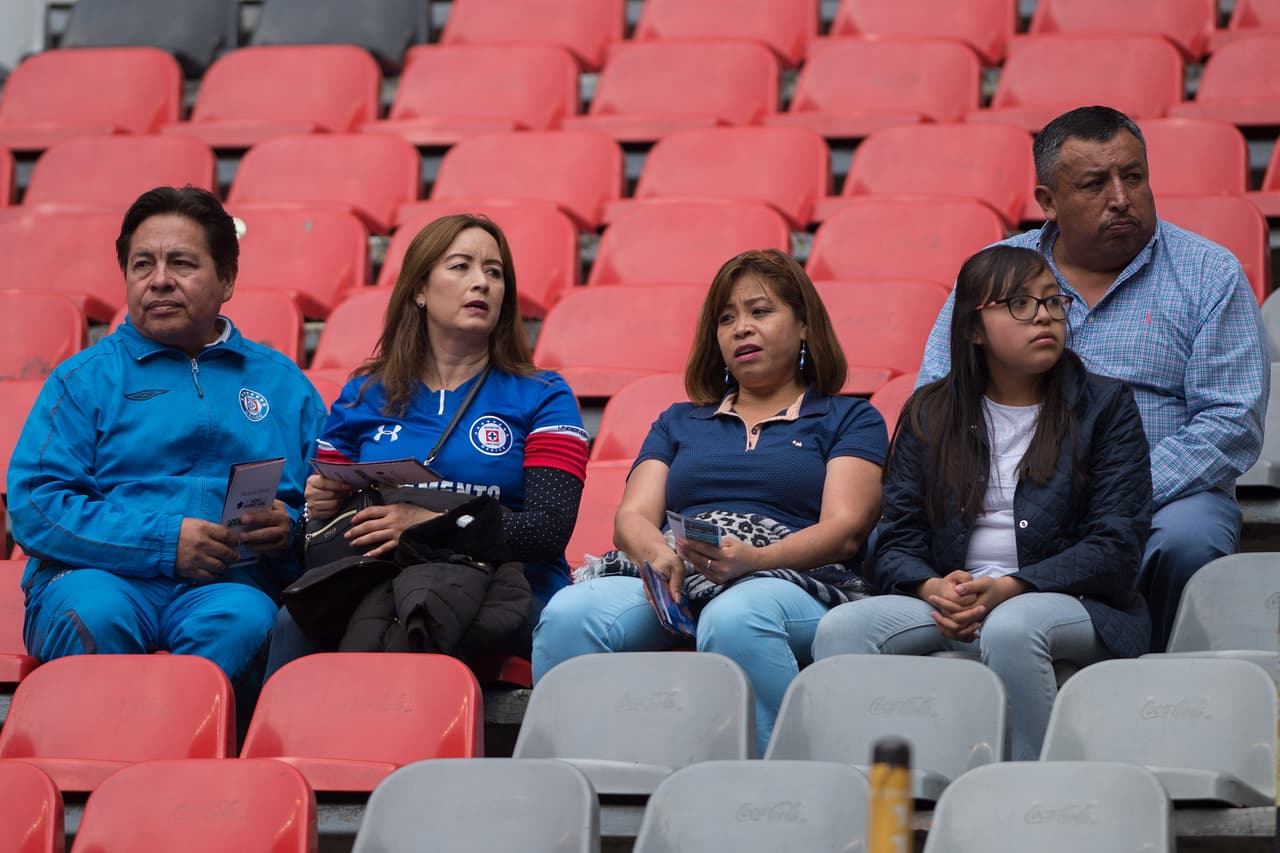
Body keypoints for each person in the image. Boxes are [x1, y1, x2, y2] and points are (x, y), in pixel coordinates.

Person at [917, 105, 1268, 652]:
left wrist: (1113, 496)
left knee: (1188, 539)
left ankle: (1163, 678)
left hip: (1167, 494)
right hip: (1011, 490)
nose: (1122, 198)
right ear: (1048, 202)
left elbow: (1230, 423)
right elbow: (937, 400)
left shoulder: (1208, 273)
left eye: (1133, 176)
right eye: (1094, 184)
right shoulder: (996, 271)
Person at [533, 249, 887, 752]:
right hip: (681, 571)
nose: (741, 328)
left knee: (736, 617)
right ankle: (589, 786)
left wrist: (755, 560)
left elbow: (847, 528)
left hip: (793, 580)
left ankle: (774, 789)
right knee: (570, 615)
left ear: (805, 325)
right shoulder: (679, 421)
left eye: (760, 312)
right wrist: (656, 554)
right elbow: (632, 517)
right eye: (727, 318)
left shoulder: (850, 418)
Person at [815, 245, 1153, 760]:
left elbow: (1117, 545)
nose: (1043, 315)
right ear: (974, 329)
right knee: (842, 628)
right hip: (955, 602)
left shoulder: (1105, 407)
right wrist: (931, 586)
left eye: (1052, 301)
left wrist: (1014, 587)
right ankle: (873, 799)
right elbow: (896, 537)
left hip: (1075, 603)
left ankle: (1032, 795)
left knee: (1014, 626)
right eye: (1019, 304)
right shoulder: (931, 413)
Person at [8, 185, 326, 695]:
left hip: (228, 587)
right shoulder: (82, 380)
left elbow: (327, 504)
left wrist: (287, 531)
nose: (159, 281)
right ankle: (109, 766)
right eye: (141, 266)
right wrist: (163, 544)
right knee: (95, 614)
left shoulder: (283, 386)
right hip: (97, 576)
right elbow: (37, 507)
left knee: (248, 621)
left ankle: (195, 768)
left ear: (227, 278)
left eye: (181, 263)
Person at [264, 213, 588, 676]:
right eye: (461, 267)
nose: (482, 283)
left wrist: (430, 527)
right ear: (419, 289)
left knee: (427, 621)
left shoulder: (543, 394)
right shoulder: (363, 394)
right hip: (380, 581)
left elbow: (548, 530)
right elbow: (317, 540)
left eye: (494, 272)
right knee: (293, 621)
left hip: (511, 590)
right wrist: (320, 509)